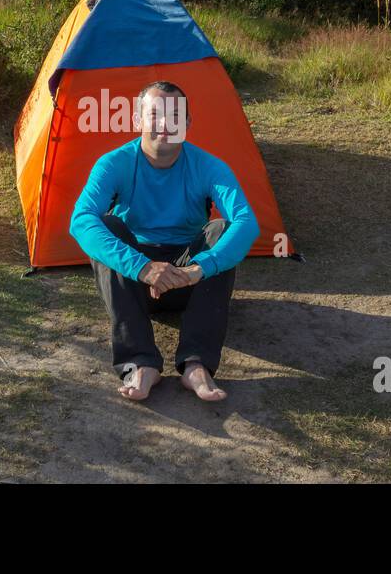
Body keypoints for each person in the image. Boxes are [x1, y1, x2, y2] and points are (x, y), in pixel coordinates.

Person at [70, 81, 259, 402]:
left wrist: (199, 269)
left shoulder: (209, 166)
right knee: (106, 225)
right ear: (137, 120)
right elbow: (81, 221)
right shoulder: (114, 163)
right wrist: (143, 268)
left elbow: (246, 223)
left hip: (189, 281)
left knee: (221, 229)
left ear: (187, 124)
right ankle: (141, 362)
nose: (165, 124)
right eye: (154, 114)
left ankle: (196, 364)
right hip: (135, 284)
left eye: (175, 116)